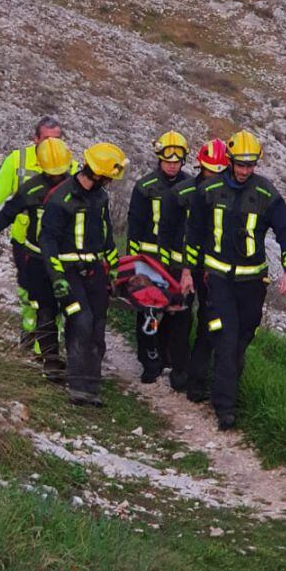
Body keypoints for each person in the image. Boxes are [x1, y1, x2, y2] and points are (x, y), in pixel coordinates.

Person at [181, 130, 286, 431]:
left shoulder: (266, 194)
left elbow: (285, 232)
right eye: (240, 164)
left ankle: (223, 387)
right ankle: (225, 408)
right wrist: (187, 272)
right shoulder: (209, 191)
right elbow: (194, 234)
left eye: (251, 165)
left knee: (241, 341)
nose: (245, 171)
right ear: (230, 161)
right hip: (217, 280)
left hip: (252, 284)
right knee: (225, 337)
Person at [0, 137, 74, 381]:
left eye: (60, 174)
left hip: (68, 259)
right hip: (38, 259)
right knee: (45, 308)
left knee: (72, 310)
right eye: (52, 174)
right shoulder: (31, 188)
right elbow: (8, 213)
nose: (57, 179)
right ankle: (51, 360)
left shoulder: (77, 188)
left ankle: (78, 363)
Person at [0, 116, 64, 350]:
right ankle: (29, 334)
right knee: (28, 292)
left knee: (55, 295)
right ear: (35, 139)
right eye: (47, 139)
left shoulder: (67, 162)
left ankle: (47, 347)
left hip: (58, 242)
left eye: (57, 139)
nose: (52, 145)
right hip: (25, 240)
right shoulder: (18, 161)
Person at [40, 143, 127, 407]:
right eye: (109, 177)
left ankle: (92, 386)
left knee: (98, 326)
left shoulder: (100, 197)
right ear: (99, 173)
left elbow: (106, 236)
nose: (111, 182)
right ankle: (77, 386)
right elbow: (48, 241)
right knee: (81, 322)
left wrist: (114, 271)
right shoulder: (60, 199)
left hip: (94, 271)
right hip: (68, 272)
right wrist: (57, 278)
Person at [127, 130, 197, 388]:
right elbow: (134, 225)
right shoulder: (145, 187)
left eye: (177, 160)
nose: (172, 164)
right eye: (167, 159)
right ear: (159, 158)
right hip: (150, 260)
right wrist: (134, 263)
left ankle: (177, 364)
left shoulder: (192, 187)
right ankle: (150, 362)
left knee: (180, 314)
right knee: (149, 311)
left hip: (180, 263)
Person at [184, 137, 229, 405]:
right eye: (211, 170)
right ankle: (176, 367)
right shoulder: (188, 193)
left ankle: (197, 381)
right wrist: (184, 269)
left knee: (208, 323)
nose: (215, 176)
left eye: (219, 171)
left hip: (214, 270)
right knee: (179, 317)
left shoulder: (227, 195)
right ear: (201, 167)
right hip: (189, 265)